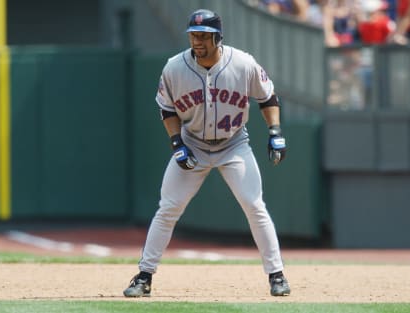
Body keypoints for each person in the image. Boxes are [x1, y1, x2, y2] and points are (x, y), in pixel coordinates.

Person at [123, 9, 291, 298]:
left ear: (218, 38)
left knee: (254, 206)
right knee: (168, 208)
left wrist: (275, 132)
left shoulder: (242, 63)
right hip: (194, 143)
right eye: (193, 35)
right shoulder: (175, 67)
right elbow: (167, 109)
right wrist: (177, 143)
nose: (197, 41)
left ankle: (277, 275)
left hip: (234, 143)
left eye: (204, 36)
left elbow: (267, 97)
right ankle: (144, 276)